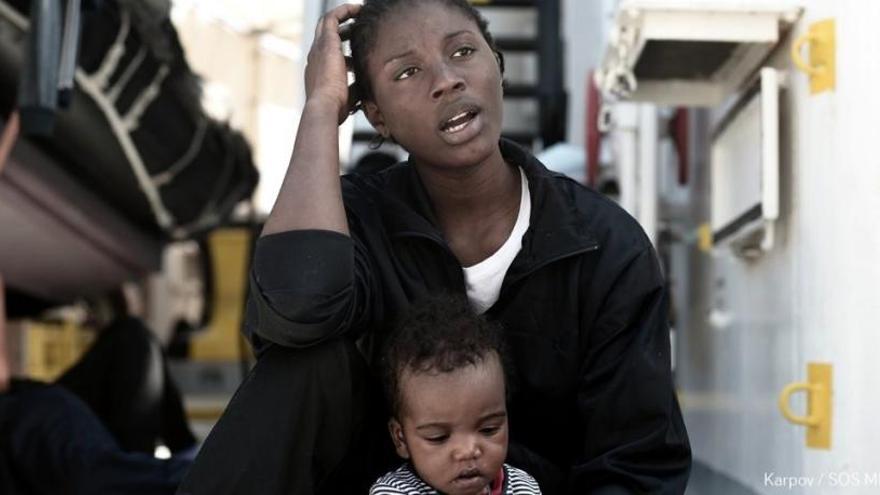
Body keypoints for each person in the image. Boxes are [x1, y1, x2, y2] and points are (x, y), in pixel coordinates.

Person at [180, 1, 691, 494]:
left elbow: (637, 463)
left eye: (464, 52)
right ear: (376, 117)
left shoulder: (604, 246)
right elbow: (296, 311)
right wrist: (319, 109)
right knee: (306, 363)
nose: (447, 79)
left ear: (498, 63)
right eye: (407, 72)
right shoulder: (356, 218)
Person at [370, 294, 541, 495]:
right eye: (439, 437)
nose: (468, 451)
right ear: (401, 439)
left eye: (489, 429)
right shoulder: (395, 492)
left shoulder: (524, 486)